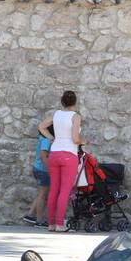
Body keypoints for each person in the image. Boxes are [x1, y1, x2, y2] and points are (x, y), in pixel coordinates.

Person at [38, 90, 83, 232]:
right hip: (69, 155)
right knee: (64, 191)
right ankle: (60, 224)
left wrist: (51, 138)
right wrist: (84, 141)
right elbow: (75, 139)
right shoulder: (75, 117)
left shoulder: (56, 114)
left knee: (54, 190)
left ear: (62, 102)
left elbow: (41, 126)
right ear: (75, 102)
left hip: (54, 154)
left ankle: (51, 223)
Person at [22, 132, 52, 226]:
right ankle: (39, 221)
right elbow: (44, 156)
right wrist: (50, 169)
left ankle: (30, 214)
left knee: (41, 194)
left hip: (39, 168)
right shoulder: (46, 140)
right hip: (43, 170)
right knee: (42, 196)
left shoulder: (44, 139)